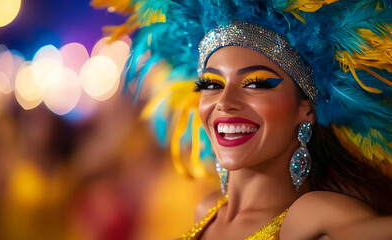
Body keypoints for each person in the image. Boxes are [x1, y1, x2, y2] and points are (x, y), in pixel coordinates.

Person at [92, 0, 392, 239]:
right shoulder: (207, 209)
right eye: (211, 84)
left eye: (257, 83)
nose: (225, 102)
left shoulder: (311, 216)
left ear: (306, 109)